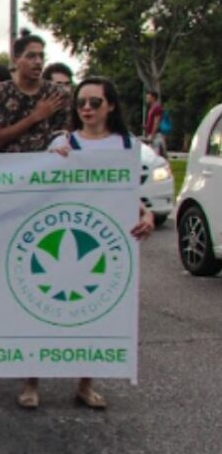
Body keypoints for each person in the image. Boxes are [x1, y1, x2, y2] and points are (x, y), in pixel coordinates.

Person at [33, 77, 155, 410]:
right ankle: (32, 381)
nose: (86, 108)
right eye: (81, 102)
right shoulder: (64, 142)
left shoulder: (127, 146)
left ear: (111, 106)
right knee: (44, 312)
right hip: (60, 233)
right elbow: (40, 187)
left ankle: (85, 384)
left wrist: (146, 215)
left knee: (96, 312)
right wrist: (53, 161)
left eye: (95, 102)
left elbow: (131, 194)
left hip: (104, 239)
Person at [0, 29, 72, 153]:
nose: (38, 62)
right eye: (31, 56)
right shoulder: (0, 92)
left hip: (48, 168)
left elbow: (64, 134)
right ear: (16, 60)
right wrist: (34, 117)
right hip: (12, 168)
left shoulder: (57, 93)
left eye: (41, 56)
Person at [145, 90, 167, 156]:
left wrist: (152, 135)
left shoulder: (157, 108)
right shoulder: (152, 108)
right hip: (152, 134)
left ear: (153, 98)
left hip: (155, 135)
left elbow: (156, 123)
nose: (147, 99)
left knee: (156, 155)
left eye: (148, 97)